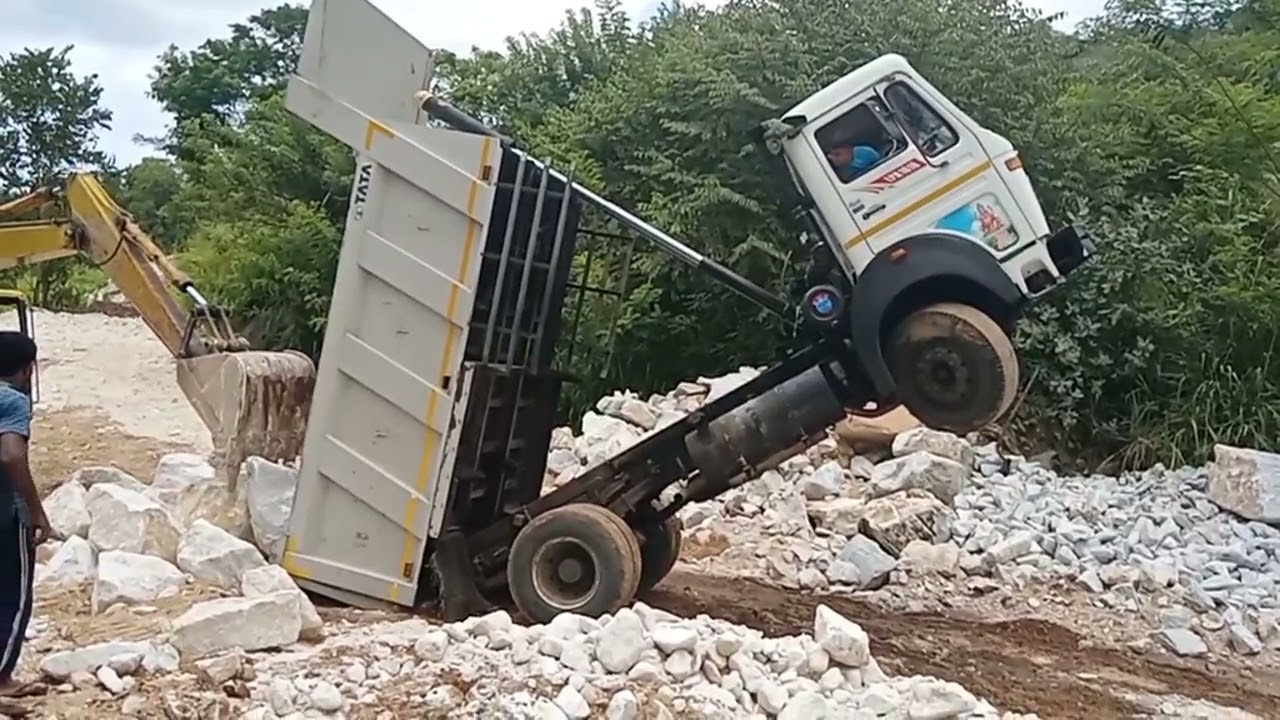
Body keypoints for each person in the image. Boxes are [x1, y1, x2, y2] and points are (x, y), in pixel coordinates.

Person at [0, 331, 47, 702]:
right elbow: (12, 456)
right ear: (28, 369)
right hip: (6, 512)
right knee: (14, 596)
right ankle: (1, 679)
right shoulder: (14, 400)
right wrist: (36, 512)